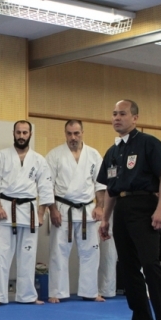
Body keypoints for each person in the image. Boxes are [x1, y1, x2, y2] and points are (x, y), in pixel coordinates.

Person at [98, 99, 161, 320]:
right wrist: (105, 219)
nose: (117, 118)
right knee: (128, 265)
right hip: (121, 208)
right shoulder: (112, 151)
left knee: (150, 264)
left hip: (144, 206)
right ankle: (142, 319)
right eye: (114, 114)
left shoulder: (149, 143)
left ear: (135, 118)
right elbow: (111, 189)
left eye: (122, 114)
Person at [0, 121, 54, 307]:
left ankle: (27, 295)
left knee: (28, 256)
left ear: (30, 134)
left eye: (25, 132)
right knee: (1, 255)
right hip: (6, 209)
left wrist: (41, 213)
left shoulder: (39, 160)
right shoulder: (2, 156)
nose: (21, 136)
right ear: (13, 133)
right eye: (18, 132)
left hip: (29, 212)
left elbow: (45, 188)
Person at [45, 120, 106, 303]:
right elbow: (47, 186)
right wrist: (52, 209)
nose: (73, 137)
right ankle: (57, 292)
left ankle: (90, 291)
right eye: (69, 133)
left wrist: (100, 206)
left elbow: (100, 184)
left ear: (82, 133)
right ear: (65, 134)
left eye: (76, 133)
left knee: (91, 252)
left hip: (88, 210)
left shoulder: (93, 155)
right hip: (63, 209)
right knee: (59, 251)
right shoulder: (55, 155)